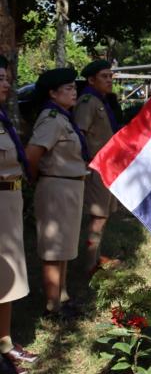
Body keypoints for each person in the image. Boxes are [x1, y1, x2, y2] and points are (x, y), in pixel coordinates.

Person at [25, 68, 88, 320]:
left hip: (70, 185)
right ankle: (52, 307)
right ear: (52, 93)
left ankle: (62, 296)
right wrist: (37, 179)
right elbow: (32, 155)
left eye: (75, 88)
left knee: (64, 246)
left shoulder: (64, 118)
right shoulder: (51, 118)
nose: (74, 92)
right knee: (53, 249)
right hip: (56, 186)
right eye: (68, 88)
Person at [0, 56, 39, 374]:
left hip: (9, 200)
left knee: (7, 274)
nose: (6, 83)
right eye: (0, 77)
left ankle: (4, 342)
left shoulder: (3, 119)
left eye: (7, 77)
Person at [74, 60, 121, 276]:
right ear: (91, 80)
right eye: (104, 76)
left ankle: (96, 257)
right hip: (96, 166)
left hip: (108, 165)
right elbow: (79, 133)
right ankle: (89, 266)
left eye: (110, 76)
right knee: (98, 216)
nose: (109, 80)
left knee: (104, 214)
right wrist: (85, 163)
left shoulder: (101, 100)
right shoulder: (87, 101)